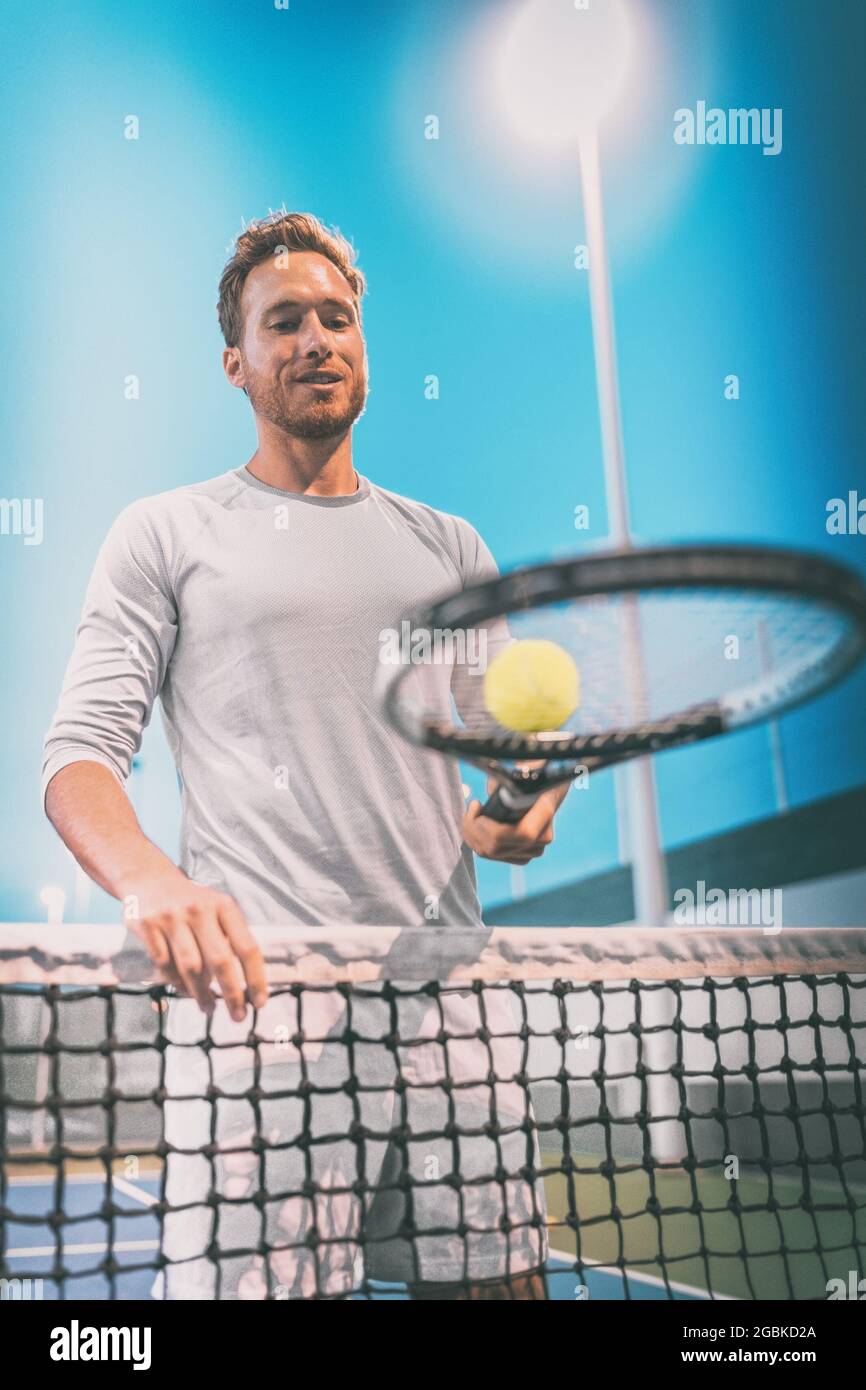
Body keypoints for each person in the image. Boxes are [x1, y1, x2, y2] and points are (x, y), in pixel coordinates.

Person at [42, 210, 569, 1300]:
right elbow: (79, 757)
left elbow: (507, 772)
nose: (317, 339)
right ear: (235, 361)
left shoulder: (449, 546)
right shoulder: (166, 532)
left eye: (337, 317)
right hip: (258, 1012)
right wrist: (150, 882)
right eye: (284, 322)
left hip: (449, 1004)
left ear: (364, 346)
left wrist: (520, 806)